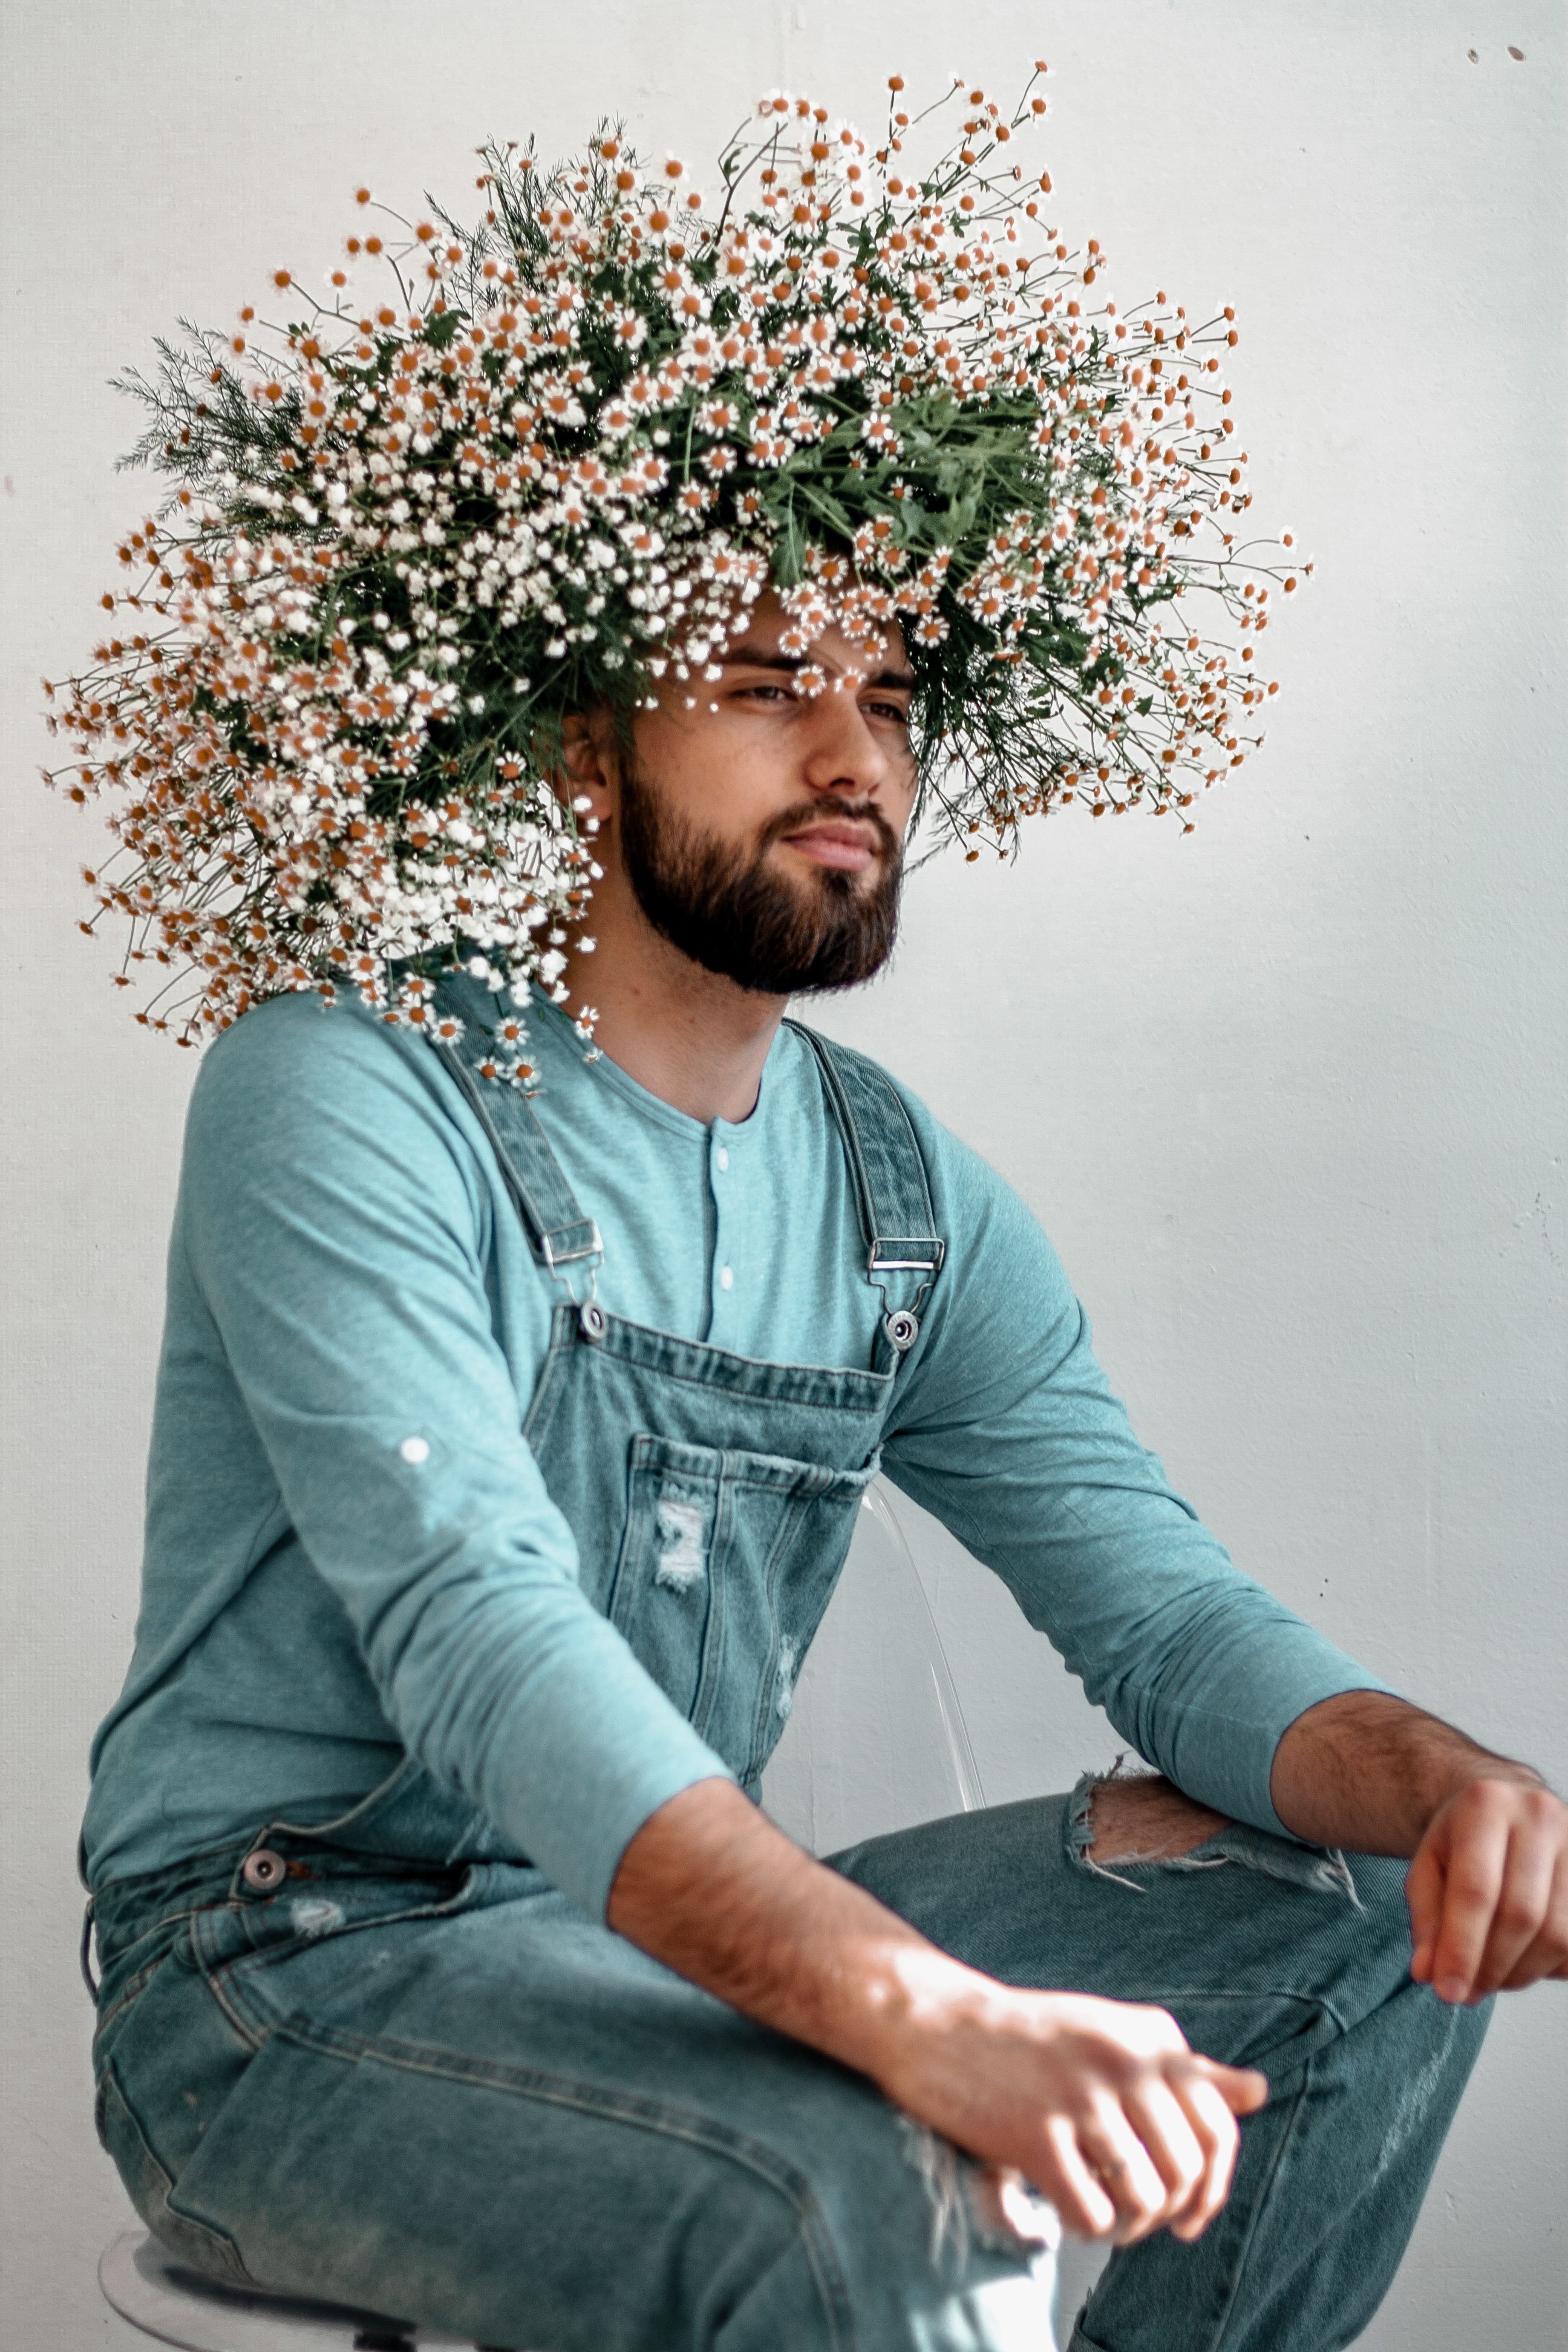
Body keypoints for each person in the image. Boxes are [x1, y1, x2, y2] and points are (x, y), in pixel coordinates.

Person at [82, 588, 1567, 2352]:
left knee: (1383, 1912)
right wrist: (912, 2011)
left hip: (661, 1949)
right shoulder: (344, 1088)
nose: (856, 753)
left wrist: (1449, 1788)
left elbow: (1165, 1621)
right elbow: (479, 1634)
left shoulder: (904, 1202)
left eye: (893, 697)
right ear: (585, 747)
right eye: (770, 684)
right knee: (882, 2180)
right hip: (295, 1978)